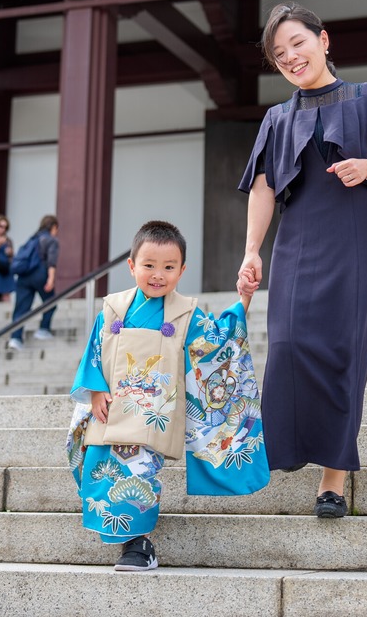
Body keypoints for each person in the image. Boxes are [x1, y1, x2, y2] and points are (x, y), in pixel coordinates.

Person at [236, 2, 367, 519]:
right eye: (279, 52)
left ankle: (332, 479)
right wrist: (252, 250)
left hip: (356, 243)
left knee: (343, 355)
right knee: (288, 344)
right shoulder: (277, 117)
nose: (291, 56)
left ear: (324, 40)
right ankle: (288, 448)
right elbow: (263, 187)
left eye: (298, 43)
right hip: (297, 245)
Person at [66, 220, 269, 571]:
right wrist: (96, 389)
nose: (158, 275)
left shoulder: (186, 314)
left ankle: (138, 546)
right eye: (149, 265)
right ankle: (124, 536)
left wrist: (244, 298)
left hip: (153, 411)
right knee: (101, 470)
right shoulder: (112, 308)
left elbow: (217, 340)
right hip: (111, 406)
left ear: (182, 270)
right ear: (131, 266)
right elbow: (94, 351)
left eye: (169, 267)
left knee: (140, 473)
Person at [7, 215, 59, 351]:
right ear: (53, 227)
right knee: (51, 303)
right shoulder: (51, 240)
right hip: (39, 274)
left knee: (21, 308)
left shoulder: (32, 239)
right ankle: (43, 329)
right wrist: (51, 279)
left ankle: (15, 338)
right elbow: (51, 262)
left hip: (24, 276)